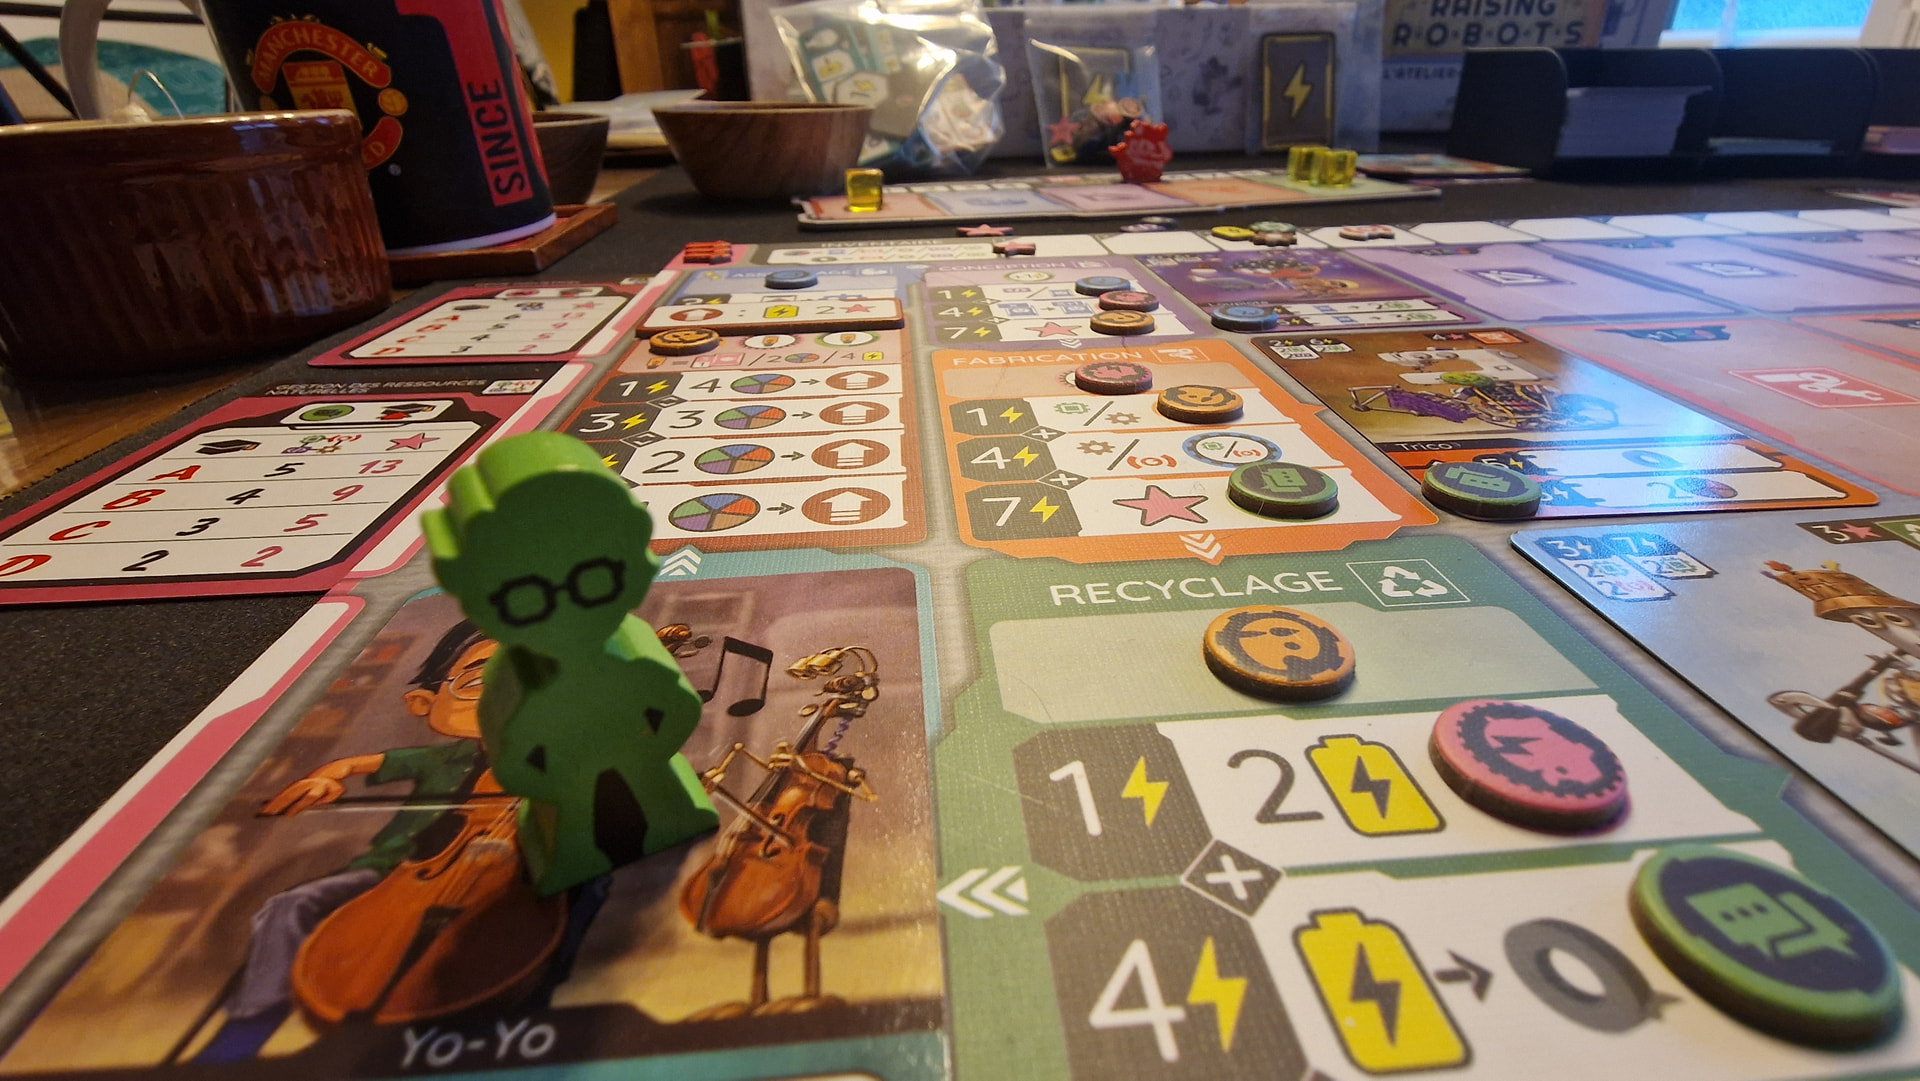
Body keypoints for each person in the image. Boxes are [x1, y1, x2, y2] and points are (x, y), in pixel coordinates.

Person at [194, 620, 498, 1061]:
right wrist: (325, 777)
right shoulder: (441, 758)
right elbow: (355, 765)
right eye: (479, 683)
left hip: (492, 871)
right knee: (289, 905)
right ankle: (246, 1031)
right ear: (423, 703)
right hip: (393, 871)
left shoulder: (542, 759)